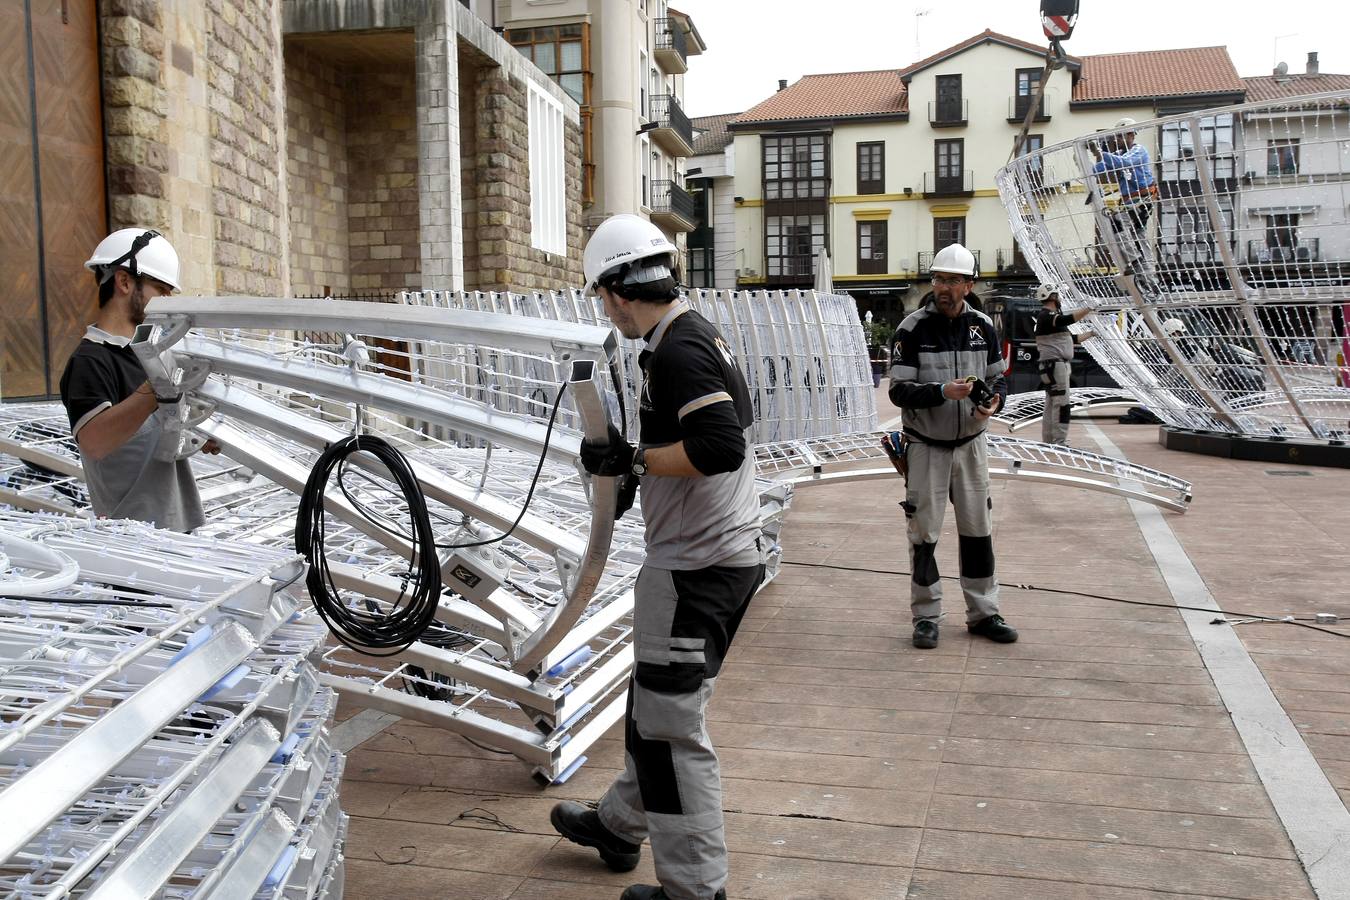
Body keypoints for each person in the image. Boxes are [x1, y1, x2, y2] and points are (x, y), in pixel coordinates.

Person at [550, 214, 764, 900]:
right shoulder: (692, 336)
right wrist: (636, 465)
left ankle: (695, 890)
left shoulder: (679, 352)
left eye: (599, 296)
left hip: (697, 570)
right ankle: (618, 825)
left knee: (670, 730)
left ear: (616, 290)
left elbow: (719, 446)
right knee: (654, 710)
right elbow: (710, 436)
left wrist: (634, 456)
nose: (603, 310)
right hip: (716, 558)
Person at [888, 243, 1017, 650]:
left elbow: (998, 380)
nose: (944, 287)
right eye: (939, 279)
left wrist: (993, 403)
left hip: (972, 446)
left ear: (968, 285)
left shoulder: (983, 327)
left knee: (979, 531)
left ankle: (984, 613)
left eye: (953, 281)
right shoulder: (911, 329)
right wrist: (942, 391)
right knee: (924, 533)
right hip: (927, 447)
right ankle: (926, 617)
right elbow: (899, 391)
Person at [58, 228, 217, 531]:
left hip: (178, 528)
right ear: (125, 281)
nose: (168, 301)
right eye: (161, 289)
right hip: (135, 542)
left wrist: (195, 433)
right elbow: (95, 442)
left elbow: (150, 436)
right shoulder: (90, 360)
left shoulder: (147, 355)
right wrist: (156, 389)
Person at [1090, 117, 1158, 283]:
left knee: (1117, 224)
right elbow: (1099, 169)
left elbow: (1124, 163)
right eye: (1116, 137)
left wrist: (1100, 153)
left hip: (1142, 199)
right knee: (1138, 235)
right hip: (1132, 202)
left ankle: (1135, 262)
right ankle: (1149, 276)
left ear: (1130, 135)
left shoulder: (1138, 151)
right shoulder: (1120, 154)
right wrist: (1091, 162)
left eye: (1120, 137)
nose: (1117, 140)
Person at [1033, 284, 1093, 445]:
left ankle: (1049, 440)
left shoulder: (1050, 319)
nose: (1060, 299)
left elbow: (1072, 340)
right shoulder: (1047, 315)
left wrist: (1092, 333)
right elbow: (1067, 319)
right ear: (1052, 297)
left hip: (1051, 366)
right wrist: (1089, 308)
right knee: (1062, 404)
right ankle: (1059, 441)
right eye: (1058, 295)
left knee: (1052, 404)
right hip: (1055, 366)